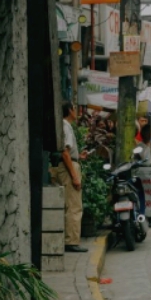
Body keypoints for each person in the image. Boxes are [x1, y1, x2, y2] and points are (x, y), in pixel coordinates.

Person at [55, 100, 90, 253]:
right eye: (74, 108)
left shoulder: (64, 126)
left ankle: (69, 239)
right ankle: (71, 241)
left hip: (69, 164)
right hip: (69, 168)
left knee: (69, 204)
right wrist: (75, 176)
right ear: (69, 110)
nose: (76, 111)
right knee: (74, 205)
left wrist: (79, 156)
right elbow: (65, 153)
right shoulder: (66, 126)